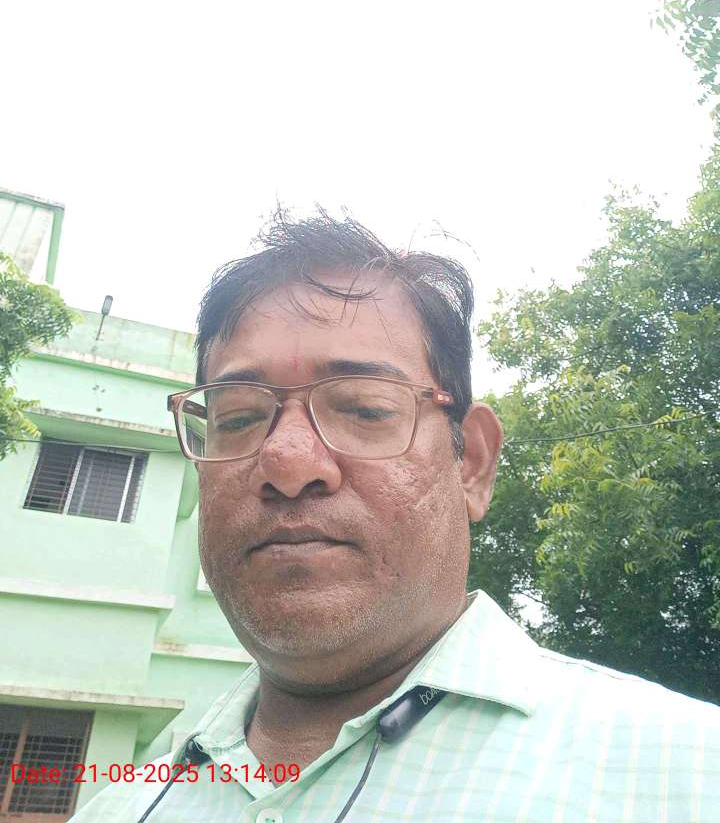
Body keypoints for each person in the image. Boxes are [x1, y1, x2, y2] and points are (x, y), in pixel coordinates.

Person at [71, 209, 720, 823]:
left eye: (364, 409)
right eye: (238, 418)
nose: (286, 461)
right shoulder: (120, 808)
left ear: (472, 465)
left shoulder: (683, 776)